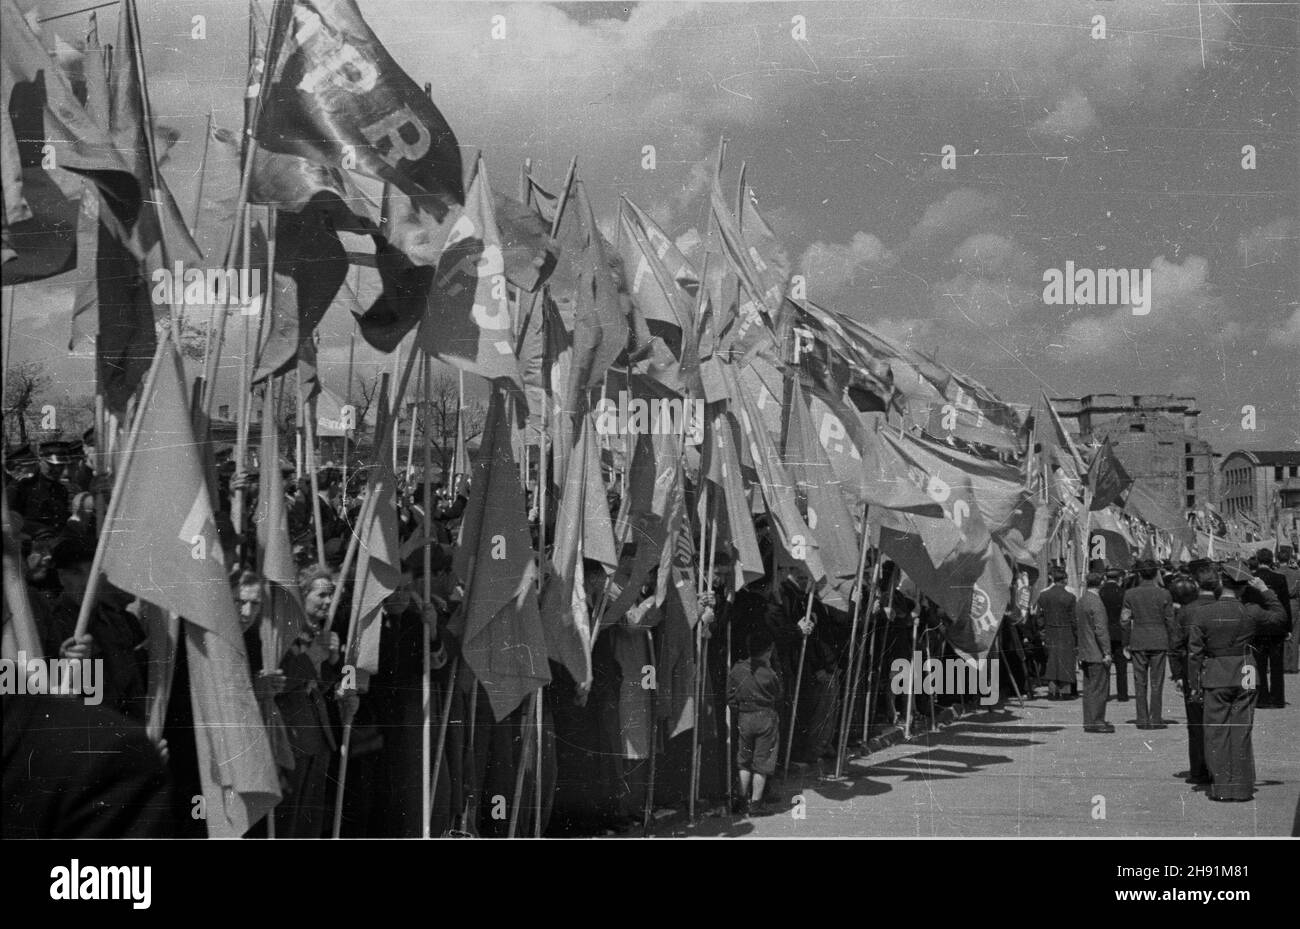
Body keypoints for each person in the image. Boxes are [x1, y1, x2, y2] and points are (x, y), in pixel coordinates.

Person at [1188, 560, 1288, 802]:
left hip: (1217, 674)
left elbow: (1195, 654)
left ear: (1222, 582)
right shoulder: (1251, 610)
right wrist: (1265, 589)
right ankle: (1242, 788)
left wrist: (1194, 685)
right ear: (1245, 586)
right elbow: (1280, 617)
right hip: (1246, 672)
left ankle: (1223, 787)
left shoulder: (1203, 613)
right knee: (1242, 730)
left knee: (1216, 732)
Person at [1168, 558, 1216, 786]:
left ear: (1196, 584)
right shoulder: (1221, 606)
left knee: (1196, 723)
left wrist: (1177, 674)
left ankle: (1198, 771)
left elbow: (1176, 645)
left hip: (1192, 672)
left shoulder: (1187, 611)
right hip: (1219, 671)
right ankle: (1220, 768)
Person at [726, 627, 783, 817]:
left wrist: (739, 710)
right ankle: (756, 803)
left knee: (744, 760)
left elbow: (730, 696)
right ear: (769, 650)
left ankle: (741, 799)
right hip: (766, 717)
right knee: (762, 762)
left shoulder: (737, 669)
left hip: (744, 716)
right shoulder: (770, 674)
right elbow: (778, 693)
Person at [1120, 558, 1176, 729]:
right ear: (1156, 573)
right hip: (1159, 640)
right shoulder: (1164, 593)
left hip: (1138, 640)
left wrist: (1126, 642)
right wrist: (1172, 641)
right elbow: (1170, 621)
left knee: (1139, 681)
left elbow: (1124, 620)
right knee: (1157, 681)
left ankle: (1142, 719)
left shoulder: (1130, 594)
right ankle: (1156, 718)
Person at [1252, 548, 1292, 707]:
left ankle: (1261, 698)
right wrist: (1288, 627)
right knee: (1276, 665)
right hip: (1276, 626)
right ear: (1271, 560)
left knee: (1259, 664)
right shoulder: (1279, 578)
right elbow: (1285, 604)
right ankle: (1277, 699)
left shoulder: (1252, 579)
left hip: (1259, 626)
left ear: (1257, 559)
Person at [1075, 572, 1114, 732]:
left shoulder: (1082, 600)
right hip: (1096, 652)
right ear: (1101, 583)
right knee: (1099, 689)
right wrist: (1106, 652)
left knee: (1089, 689)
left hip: (1085, 650)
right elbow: (1101, 630)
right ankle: (1097, 720)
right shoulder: (1096, 603)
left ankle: (1089, 720)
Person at [1034, 567, 1076, 700]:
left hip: (1050, 631)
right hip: (1066, 631)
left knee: (1052, 661)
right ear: (1064, 580)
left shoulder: (1043, 595)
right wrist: (1076, 635)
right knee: (1066, 661)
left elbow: (1039, 616)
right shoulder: (1070, 597)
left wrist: (1042, 631)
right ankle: (1064, 691)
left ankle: (1052, 691)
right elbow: (1073, 619)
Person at [1098, 567, 1129, 701]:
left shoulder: (1100, 593)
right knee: (1121, 666)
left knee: (1105, 665)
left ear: (1105, 578)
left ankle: (1105, 694)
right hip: (1119, 631)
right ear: (1119, 579)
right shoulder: (1123, 593)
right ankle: (1122, 694)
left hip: (1104, 631)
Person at [1277, 546, 1300, 673]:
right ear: (1289, 559)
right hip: (1294, 604)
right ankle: (1293, 666)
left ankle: (1284, 664)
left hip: (1279, 605)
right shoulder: (1297, 573)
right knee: (1295, 636)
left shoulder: (1275, 572)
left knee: (1281, 635)